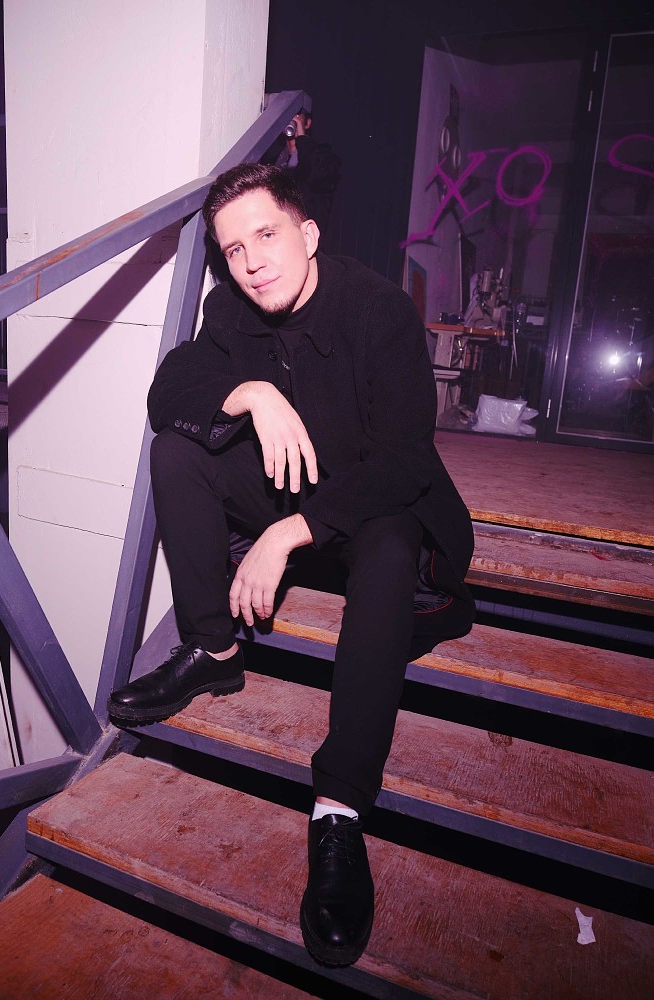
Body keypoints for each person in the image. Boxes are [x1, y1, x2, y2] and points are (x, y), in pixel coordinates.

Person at [108, 163, 475, 967]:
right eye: (233, 250)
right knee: (177, 450)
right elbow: (170, 390)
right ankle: (213, 649)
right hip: (293, 494)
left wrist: (284, 536)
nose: (251, 263)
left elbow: (405, 463)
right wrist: (251, 393)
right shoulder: (230, 309)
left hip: (369, 508)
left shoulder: (377, 310)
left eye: (266, 236)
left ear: (307, 235)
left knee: (390, 544)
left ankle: (339, 810)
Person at [265, 108, 341, 234]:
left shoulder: (322, 155)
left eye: (297, 115)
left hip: (305, 234)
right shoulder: (273, 158)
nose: (291, 119)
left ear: (308, 122)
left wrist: (302, 137)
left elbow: (318, 174)